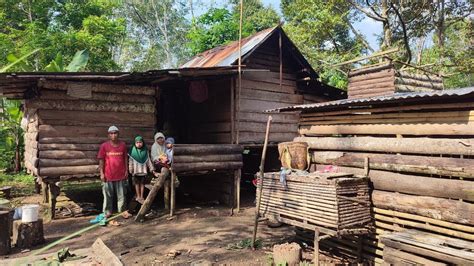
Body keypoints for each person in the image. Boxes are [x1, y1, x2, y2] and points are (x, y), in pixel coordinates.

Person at [97, 125, 132, 221]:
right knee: (107, 195)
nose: (113, 135)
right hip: (108, 175)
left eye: (115, 133)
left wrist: (126, 170)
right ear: (108, 135)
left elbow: (125, 158)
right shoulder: (104, 146)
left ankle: (123, 211)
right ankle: (107, 212)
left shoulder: (123, 145)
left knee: (122, 195)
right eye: (111, 133)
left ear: (118, 134)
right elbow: (101, 160)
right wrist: (102, 173)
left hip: (120, 175)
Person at [128, 135, 157, 204]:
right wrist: (130, 169)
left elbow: (148, 161)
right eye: (137, 142)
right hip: (136, 171)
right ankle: (138, 196)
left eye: (140, 142)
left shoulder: (145, 151)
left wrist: (152, 169)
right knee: (136, 184)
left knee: (142, 184)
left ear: (143, 143)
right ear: (135, 143)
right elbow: (130, 161)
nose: (139, 144)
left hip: (143, 171)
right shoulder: (132, 151)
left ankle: (141, 196)